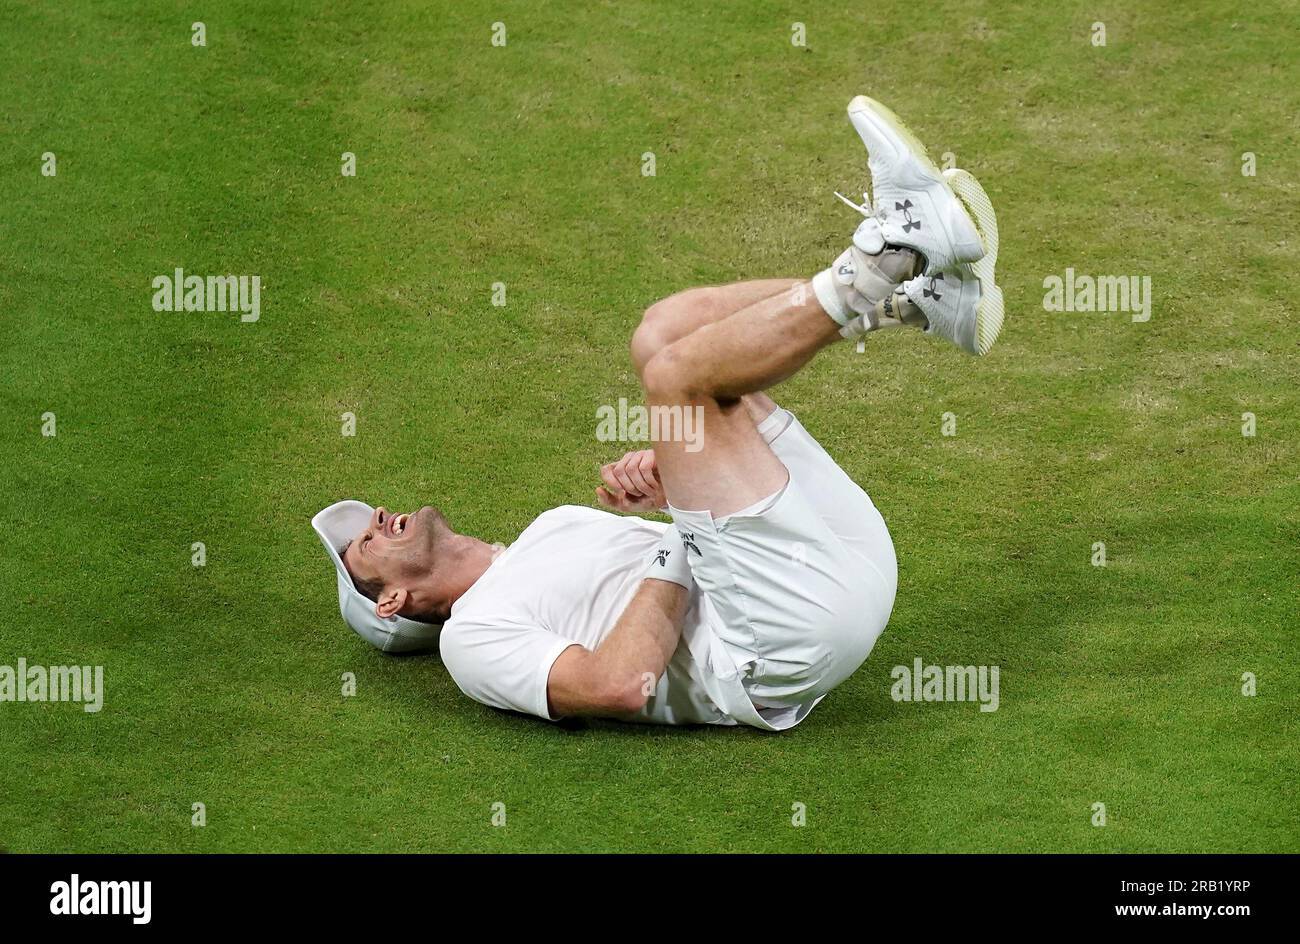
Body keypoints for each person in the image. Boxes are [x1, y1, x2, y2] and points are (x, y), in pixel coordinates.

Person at [312, 96, 1002, 730]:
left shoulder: (553, 526)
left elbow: (709, 549)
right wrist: (682, 523)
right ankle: (891, 250)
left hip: (842, 555)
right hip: (786, 642)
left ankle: (917, 298)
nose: (376, 519)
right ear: (391, 604)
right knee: (676, 383)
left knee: (661, 335)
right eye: (365, 545)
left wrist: (683, 482)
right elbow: (619, 685)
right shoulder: (473, 640)